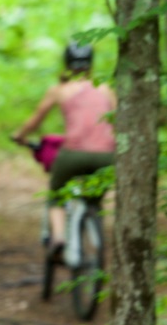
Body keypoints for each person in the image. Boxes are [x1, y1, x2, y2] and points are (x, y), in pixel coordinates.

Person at [11, 42, 117, 259]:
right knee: (95, 199)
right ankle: (94, 231)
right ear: (91, 64)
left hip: (73, 155)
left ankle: (59, 236)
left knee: (57, 195)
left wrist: (19, 136)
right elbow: (120, 120)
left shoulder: (60, 90)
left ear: (66, 64)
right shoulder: (105, 89)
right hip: (106, 156)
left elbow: (35, 120)